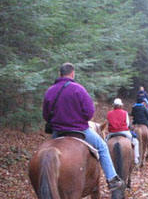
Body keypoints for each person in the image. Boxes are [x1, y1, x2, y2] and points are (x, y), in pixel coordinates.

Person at [42, 62, 124, 191]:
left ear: (60, 74)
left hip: (58, 132)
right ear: (73, 73)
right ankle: (112, 179)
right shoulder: (78, 89)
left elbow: (46, 115)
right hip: (79, 131)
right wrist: (80, 120)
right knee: (102, 147)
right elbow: (90, 112)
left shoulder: (50, 91)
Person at [106, 98, 140, 164]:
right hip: (124, 131)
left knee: (105, 143)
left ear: (114, 106)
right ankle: (136, 158)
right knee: (135, 142)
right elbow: (127, 124)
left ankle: (105, 161)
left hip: (112, 132)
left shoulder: (109, 113)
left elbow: (109, 123)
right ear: (121, 105)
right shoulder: (125, 113)